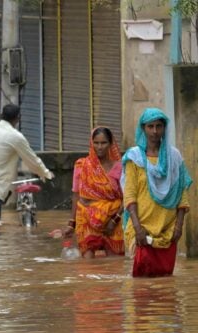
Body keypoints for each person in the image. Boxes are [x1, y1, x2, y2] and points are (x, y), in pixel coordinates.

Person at [121, 108, 191, 277]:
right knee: (140, 281)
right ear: (143, 128)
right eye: (150, 126)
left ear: (164, 128)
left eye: (159, 126)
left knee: (165, 280)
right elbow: (129, 194)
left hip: (167, 228)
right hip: (141, 227)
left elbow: (182, 192)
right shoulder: (134, 157)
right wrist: (137, 227)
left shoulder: (174, 157)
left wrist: (179, 226)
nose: (154, 131)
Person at [0, 104, 54, 225]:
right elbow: (32, 160)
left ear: (1, 115)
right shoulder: (15, 136)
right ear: (18, 118)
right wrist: (47, 174)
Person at [62, 127, 124, 258]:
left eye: (104, 143)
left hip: (112, 220)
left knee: (115, 264)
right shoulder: (82, 165)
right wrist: (71, 224)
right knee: (88, 266)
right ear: (91, 143)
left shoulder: (120, 167)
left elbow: (127, 197)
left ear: (111, 144)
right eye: (96, 143)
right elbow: (76, 195)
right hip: (86, 220)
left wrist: (114, 220)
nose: (100, 147)